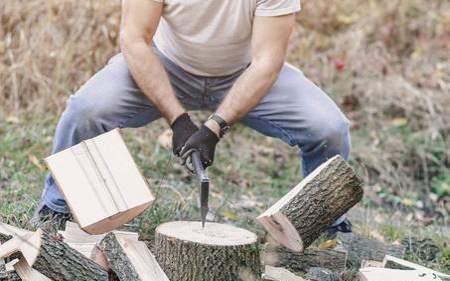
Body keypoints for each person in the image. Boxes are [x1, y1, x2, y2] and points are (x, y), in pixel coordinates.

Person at [32, 0, 352, 235]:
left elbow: (267, 61)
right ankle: (57, 207)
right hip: (167, 66)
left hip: (244, 73)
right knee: (86, 110)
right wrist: (178, 121)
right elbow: (134, 39)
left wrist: (214, 128)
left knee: (328, 129)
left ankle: (327, 228)